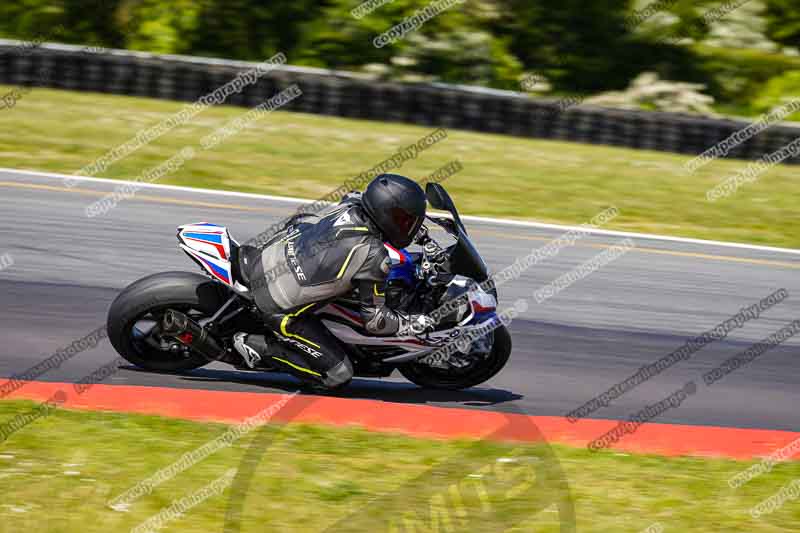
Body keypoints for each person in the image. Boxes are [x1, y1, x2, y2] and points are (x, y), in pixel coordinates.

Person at [234, 174, 436, 389]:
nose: (409, 226)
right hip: (276, 306)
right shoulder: (374, 257)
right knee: (338, 375)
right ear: (386, 214)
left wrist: (418, 234)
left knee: (305, 221)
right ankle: (258, 347)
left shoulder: (351, 204)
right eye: (406, 221)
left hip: (268, 258)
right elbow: (375, 322)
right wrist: (412, 323)